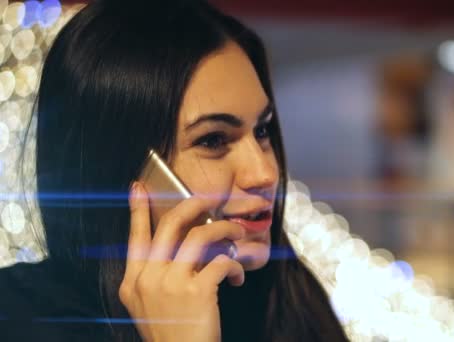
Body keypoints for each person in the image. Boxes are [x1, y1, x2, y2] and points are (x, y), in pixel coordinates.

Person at [0, 0, 349, 341]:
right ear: (122, 172)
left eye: (262, 130)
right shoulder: (19, 316)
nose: (264, 173)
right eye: (213, 140)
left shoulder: (291, 302)